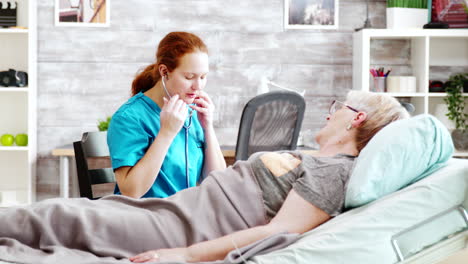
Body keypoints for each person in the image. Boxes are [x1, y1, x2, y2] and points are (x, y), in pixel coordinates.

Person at [0, 91, 410, 264]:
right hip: (182, 208)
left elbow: (281, 230)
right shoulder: (312, 158)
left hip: (188, 228)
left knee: (62, 218)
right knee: (64, 216)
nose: (328, 111)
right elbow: (225, 178)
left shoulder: (333, 172)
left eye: (339, 106)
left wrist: (187, 255)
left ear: (355, 118)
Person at [107, 32, 226, 199]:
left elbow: (219, 183)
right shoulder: (129, 118)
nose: (198, 86)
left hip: (184, 213)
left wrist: (208, 127)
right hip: (145, 216)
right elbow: (131, 192)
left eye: (203, 77)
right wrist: (166, 133)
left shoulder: (192, 112)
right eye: (189, 77)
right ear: (164, 71)